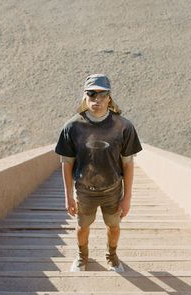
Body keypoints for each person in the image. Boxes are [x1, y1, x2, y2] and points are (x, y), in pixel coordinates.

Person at [55, 74, 142, 272]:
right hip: (84, 190)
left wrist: (127, 197)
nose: (97, 99)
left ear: (109, 97)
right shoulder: (72, 127)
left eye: (102, 94)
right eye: (91, 94)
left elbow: (128, 164)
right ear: (84, 96)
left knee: (114, 226)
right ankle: (82, 257)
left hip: (112, 189)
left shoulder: (124, 126)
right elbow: (66, 163)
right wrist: (68, 195)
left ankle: (111, 256)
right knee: (82, 226)